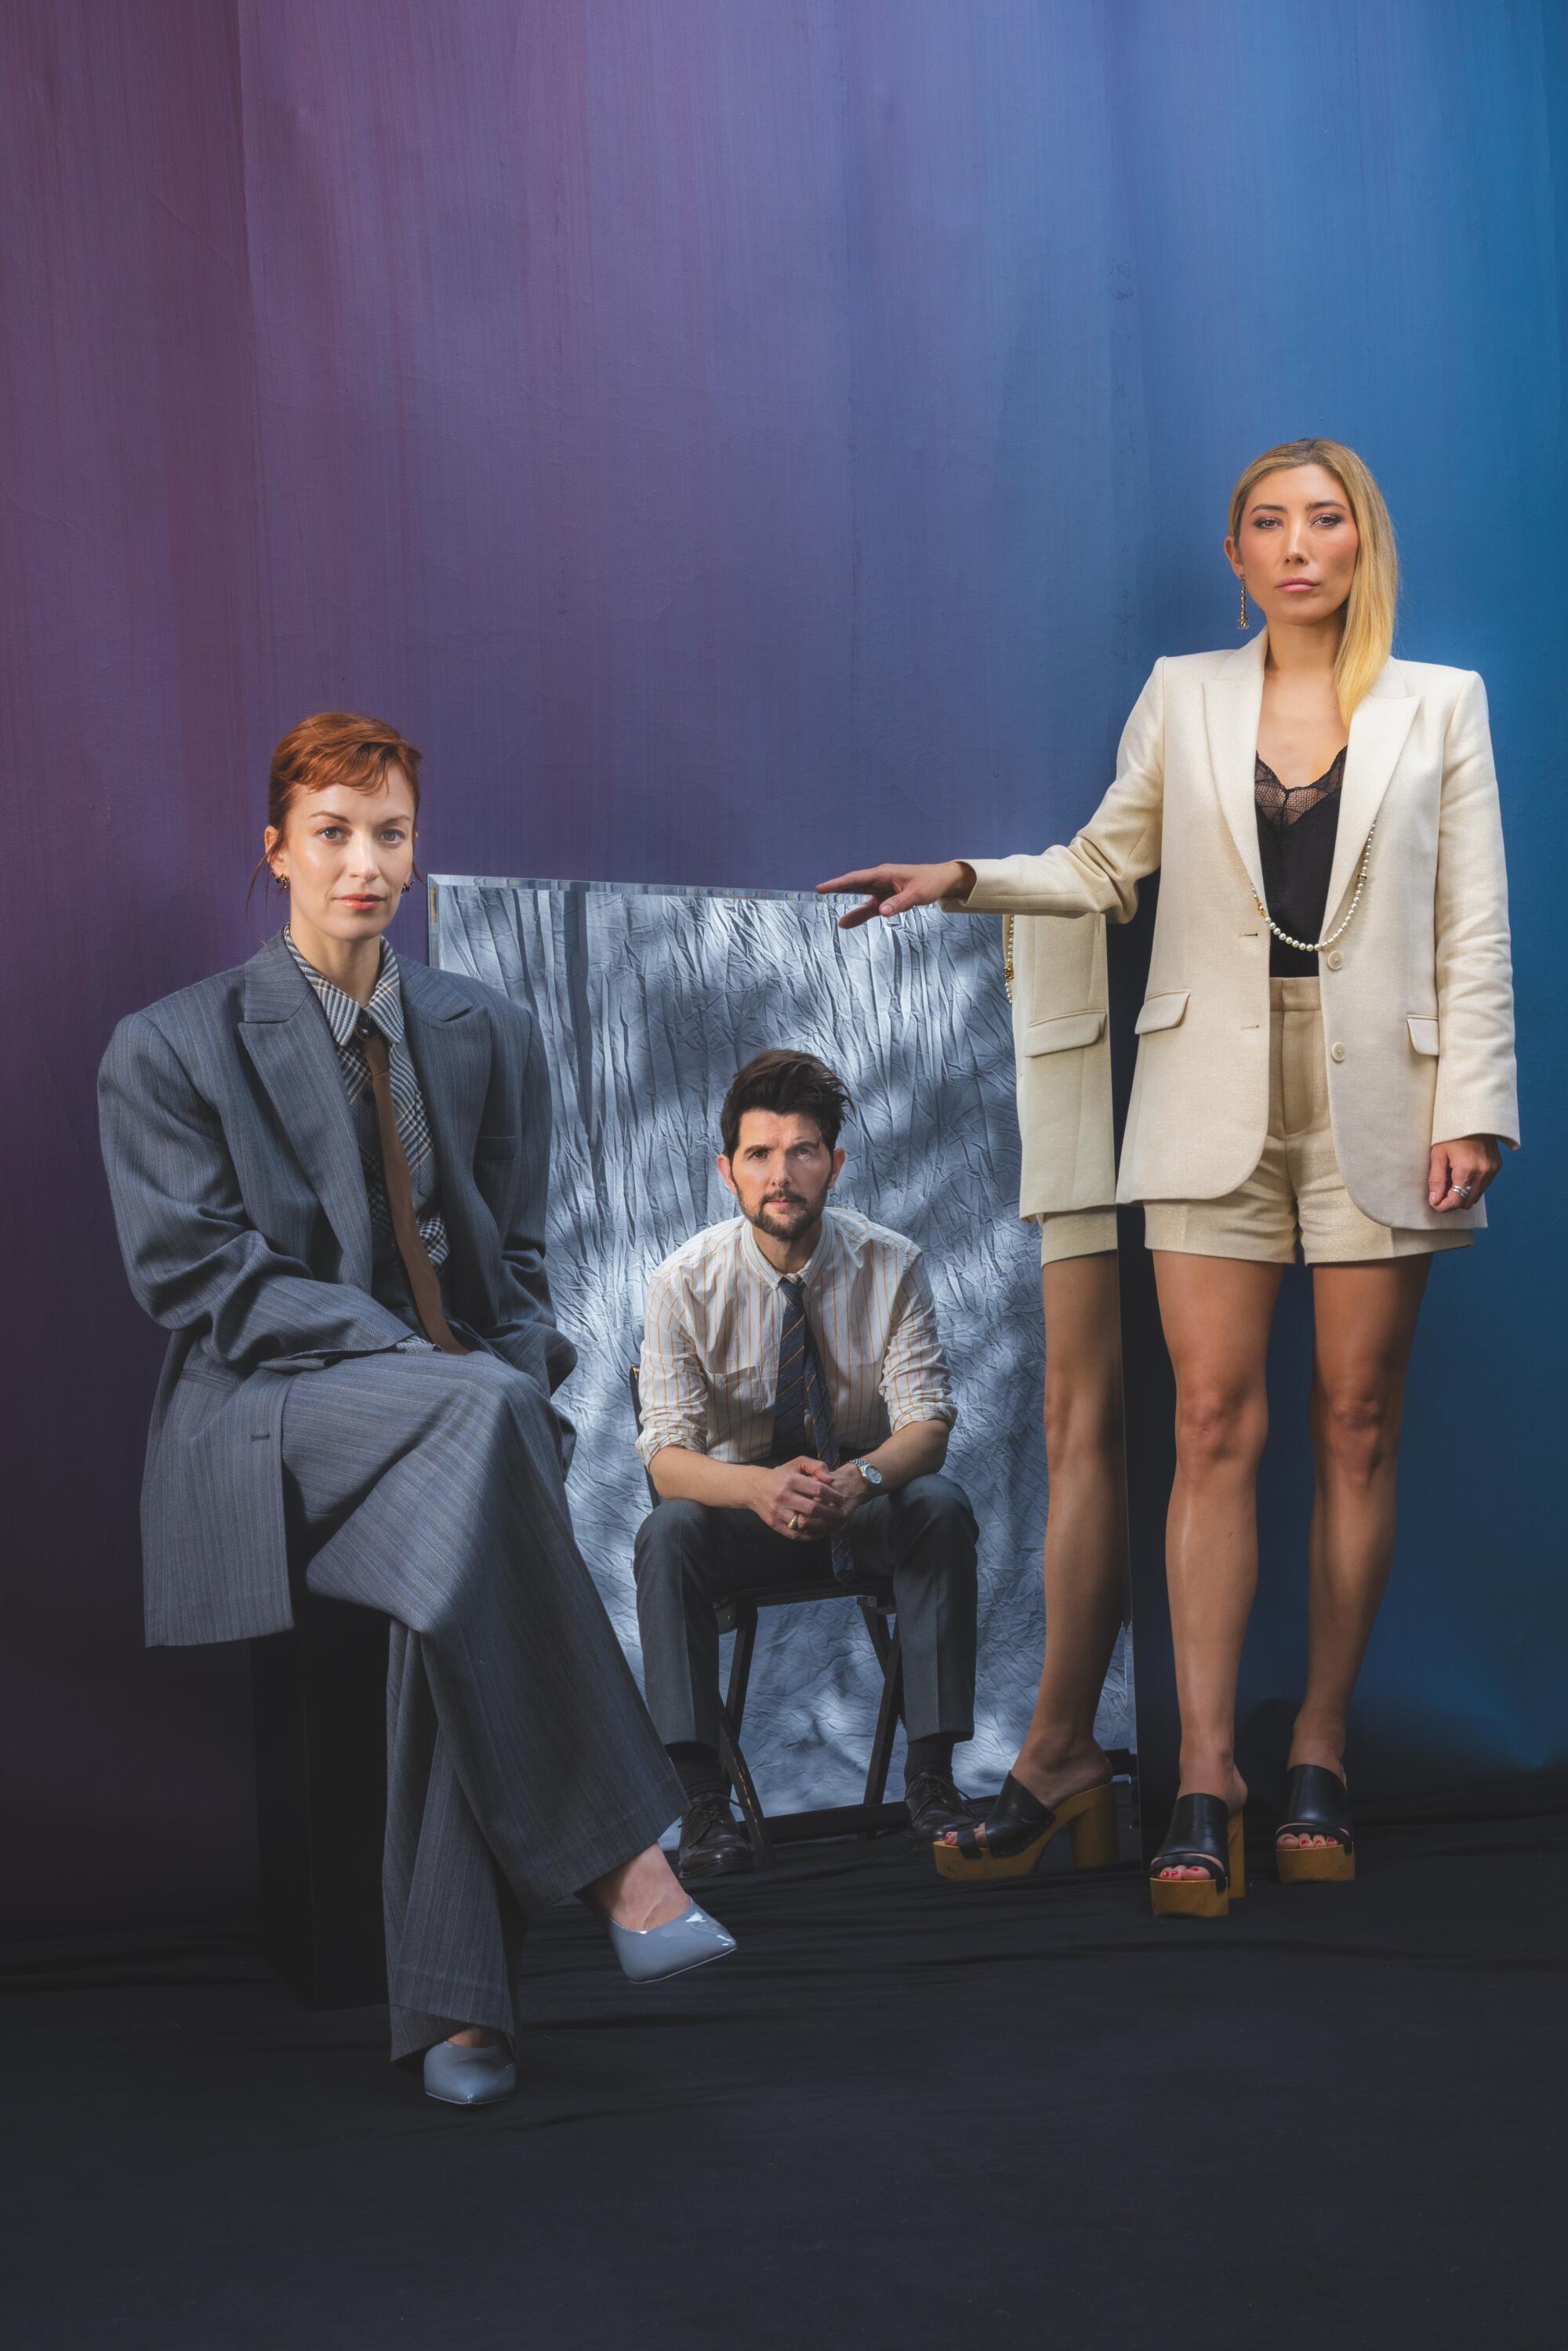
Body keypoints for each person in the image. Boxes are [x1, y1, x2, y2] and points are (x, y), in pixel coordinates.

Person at [821, 437, 1518, 1917]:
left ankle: (1319, 1745)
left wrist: (1479, 1110)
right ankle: (1208, 1775)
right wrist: (963, 876)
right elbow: (1100, 867)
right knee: (1207, 1417)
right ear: (1236, 554)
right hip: (1204, 1091)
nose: (1296, 544)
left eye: (1324, 520)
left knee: (1356, 1421)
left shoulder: (1442, 704)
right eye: (1267, 522)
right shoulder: (1182, 693)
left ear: (1359, 539)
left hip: (1386, 1103)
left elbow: (1474, 926)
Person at [98, 711, 735, 2108]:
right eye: (332, 832)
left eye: (389, 832)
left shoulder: (488, 1031)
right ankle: (632, 1856)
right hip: (263, 1419)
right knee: (470, 1436)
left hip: (466, 1422)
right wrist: (437, 1368)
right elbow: (204, 1280)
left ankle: (460, 2014)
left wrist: (506, 1382)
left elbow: (515, 1262)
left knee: (454, 1541)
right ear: (278, 850)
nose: (364, 862)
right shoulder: (169, 1046)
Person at [632, 1048, 981, 1875]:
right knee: (666, 1533)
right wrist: (756, 1488)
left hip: (855, 1501)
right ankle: (701, 1804)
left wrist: (858, 1479)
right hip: (741, 1512)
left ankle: (930, 1781)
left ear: (836, 1162)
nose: (779, 1174)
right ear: (727, 1171)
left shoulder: (891, 1264)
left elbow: (926, 1423)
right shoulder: (683, 1281)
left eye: (801, 1151)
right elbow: (665, 1458)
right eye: (758, 1154)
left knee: (938, 1503)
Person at [932, 909, 1129, 1884]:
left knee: (1214, 1410)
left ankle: (1221, 1754)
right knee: (1074, 1413)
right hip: (1082, 1012)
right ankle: (1062, 1745)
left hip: (1232, 1001)